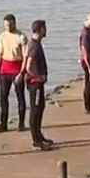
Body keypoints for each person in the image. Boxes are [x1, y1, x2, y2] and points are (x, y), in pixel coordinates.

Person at [0, 14, 28, 133]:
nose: (8, 27)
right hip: (5, 69)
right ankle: (3, 124)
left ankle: (21, 123)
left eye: (9, 25)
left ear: (15, 23)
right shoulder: (2, 36)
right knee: (3, 97)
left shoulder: (21, 37)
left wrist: (22, 72)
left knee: (20, 97)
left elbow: (25, 56)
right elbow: (0, 53)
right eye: (6, 25)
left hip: (17, 69)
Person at [25, 20, 54, 150]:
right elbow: (28, 65)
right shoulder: (34, 46)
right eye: (45, 28)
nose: (46, 30)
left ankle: (39, 135)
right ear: (41, 29)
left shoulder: (35, 43)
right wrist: (38, 76)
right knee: (35, 110)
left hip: (38, 83)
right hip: (35, 84)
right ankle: (35, 140)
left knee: (40, 108)